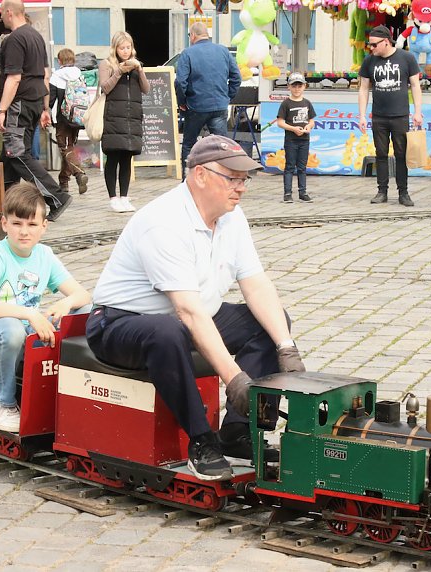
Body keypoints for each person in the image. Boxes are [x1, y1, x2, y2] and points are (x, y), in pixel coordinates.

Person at [86, 135, 305, 481]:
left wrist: (286, 347)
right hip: (120, 323)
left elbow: (256, 283)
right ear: (200, 175)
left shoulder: (232, 217)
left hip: (192, 315)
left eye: (244, 178)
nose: (241, 187)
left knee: (273, 322)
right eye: (232, 177)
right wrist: (234, 379)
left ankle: (236, 432)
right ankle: (201, 440)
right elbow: (187, 311)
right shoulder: (163, 222)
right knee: (167, 331)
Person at [0, 182, 92, 432]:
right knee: (11, 329)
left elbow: (82, 294)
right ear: (4, 224)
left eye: (32, 225)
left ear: (44, 226)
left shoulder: (44, 255)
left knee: (84, 312)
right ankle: (1, 400)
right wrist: (31, 313)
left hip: (26, 329)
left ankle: (69, 388)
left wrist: (64, 303)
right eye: (17, 223)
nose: (24, 232)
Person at [0, 0, 72, 222]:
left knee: (16, 153)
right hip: (35, 101)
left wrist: (2, 111)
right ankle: (10, 208)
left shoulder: (15, 39)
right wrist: (45, 107)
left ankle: (57, 197)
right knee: (8, 159)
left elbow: (14, 77)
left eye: (1, 14)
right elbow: (46, 74)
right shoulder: (36, 37)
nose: (1, 17)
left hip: (19, 103)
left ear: (9, 13)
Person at [357, 25, 423, 207]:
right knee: (381, 154)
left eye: (374, 44)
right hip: (379, 115)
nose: (371, 48)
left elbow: (416, 86)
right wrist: (362, 115)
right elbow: (363, 89)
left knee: (402, 154)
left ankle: (403, 192)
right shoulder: (369, 61)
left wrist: (417, 111)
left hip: (400, 115)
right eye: (369, 45)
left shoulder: (407, 57)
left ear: (386, 42)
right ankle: (382, 191)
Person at [175, 22, 241, 177]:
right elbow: (236, 77)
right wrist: (227, 96)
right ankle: (224, 178)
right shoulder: (223, 51)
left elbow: (180, 82)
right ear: (207, 35)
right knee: (222, 146)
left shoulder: (188, 53)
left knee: (189, 145)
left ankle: (187, 181)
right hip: (219, 106)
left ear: (192, 35)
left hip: (196, 107)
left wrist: (182, 102)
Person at [97, 32, 150, 213]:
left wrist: (140, 70)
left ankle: (125, 197)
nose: (126, 51)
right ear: (115, 48)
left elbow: (146, 89)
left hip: (131, 118)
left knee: (127, 158)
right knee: (113, 157)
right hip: (113, 117)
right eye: (122, 48)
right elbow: (105, 87)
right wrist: (119, 71)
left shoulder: (136, 65)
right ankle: (113, 198)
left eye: (128, 47)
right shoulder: (107, 64)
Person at [49, 48, 89, 195]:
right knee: (69, 147)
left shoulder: (56, 76)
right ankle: (63, 181)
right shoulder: (79, 74)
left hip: (62, 118)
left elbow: (51, 100)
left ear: (59, 61)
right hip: (77, 117)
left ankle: (79, 174)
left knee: (66, 148)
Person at [276, 72, 316, 203]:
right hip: (291, 140)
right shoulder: (286, 104)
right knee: (289, 166)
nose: (297, 89)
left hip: (304, 140)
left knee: (302, 167)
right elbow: (280, 122)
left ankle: (302, 192)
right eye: (294, 86)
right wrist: (293, 129)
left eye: (299, 86)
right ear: (289, 87)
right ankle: (287, 193)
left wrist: (308, 127)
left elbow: (311, 120)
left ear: (305, 86)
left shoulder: (307, 103)